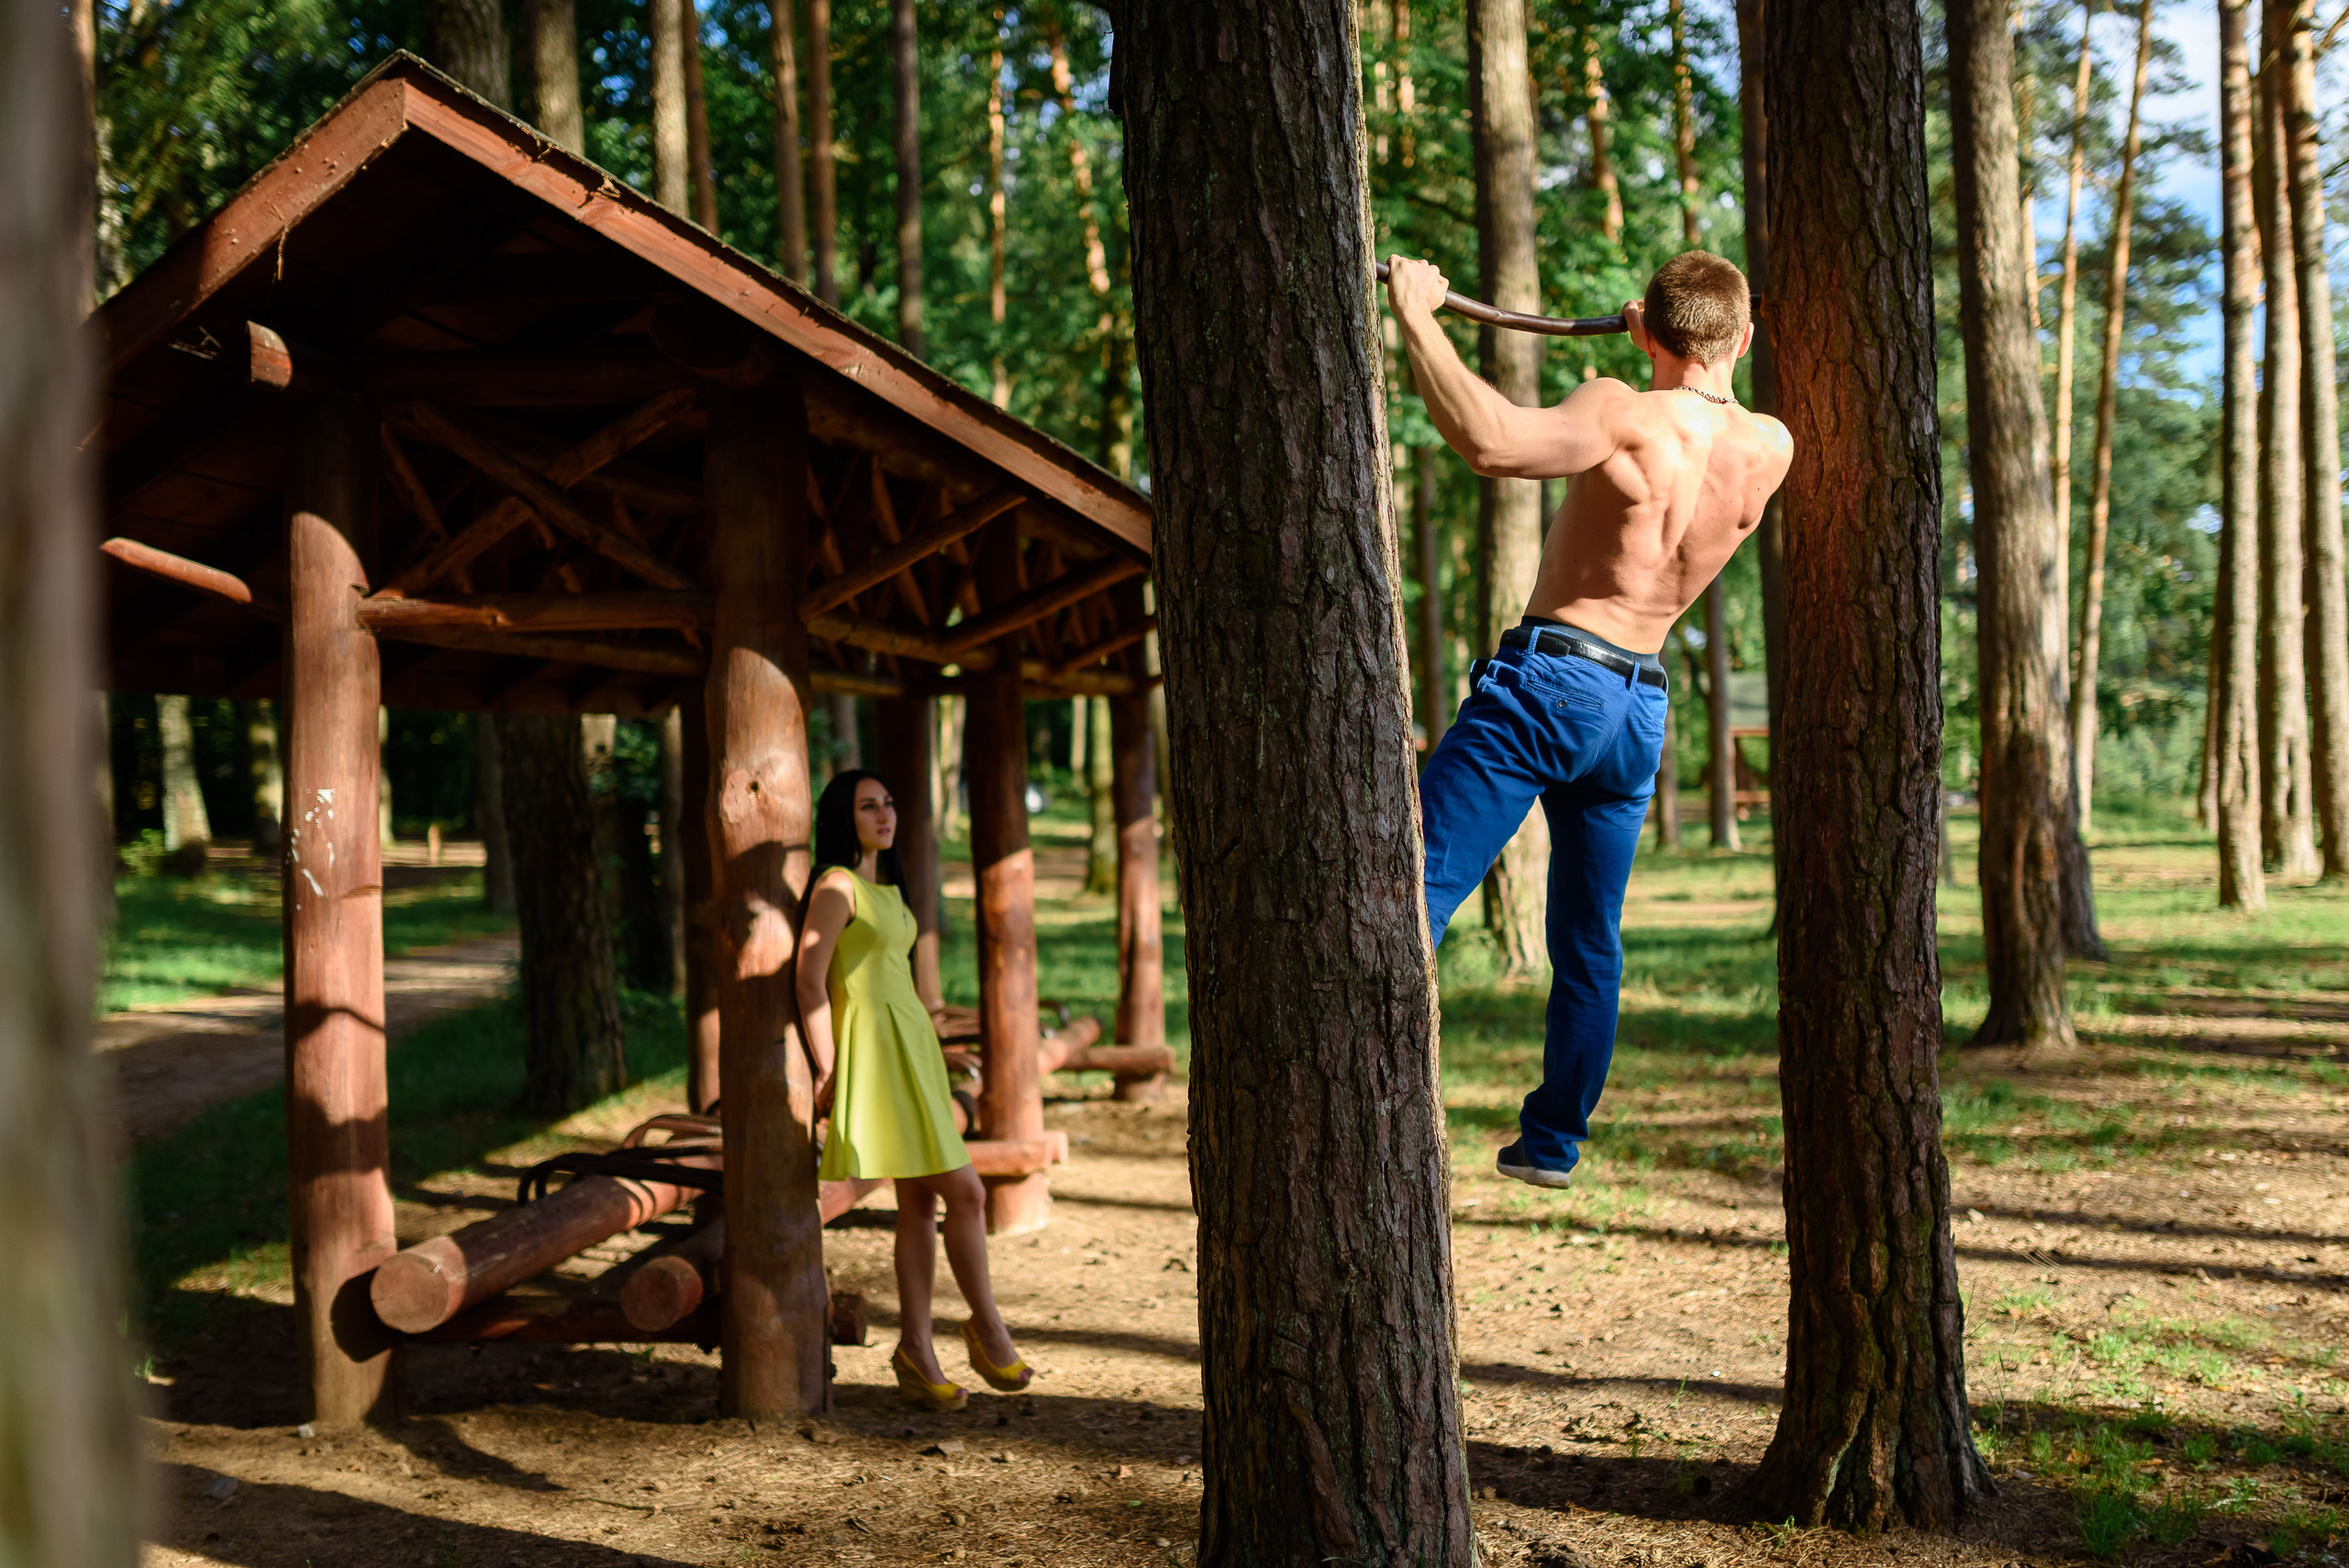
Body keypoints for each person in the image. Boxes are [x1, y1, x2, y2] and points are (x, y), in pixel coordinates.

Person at [1386, 249, 1793, 1190]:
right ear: (1744, 338)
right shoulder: (1769, 446)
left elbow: (1493, 444)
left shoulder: (1621, 410)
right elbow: (1699, 390)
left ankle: (1360, 1101)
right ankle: (1553, 1142)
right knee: (1588, 940)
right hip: (1637, 706)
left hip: (1552, 682)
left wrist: (1416, 316)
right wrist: (1663, 344)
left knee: (1409, 894)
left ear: (1648, 330)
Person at [796, 768, 1032, 1409]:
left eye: (889, 804)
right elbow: (810, 980)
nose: (884, 815)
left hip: (913, 1052)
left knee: (920, 1205)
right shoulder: (837, 886)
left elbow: (897, 980)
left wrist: (934, 1047)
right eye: (867, 806)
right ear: (842, 818)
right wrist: (827, 1067)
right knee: (968, 1192)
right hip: (875, 1059)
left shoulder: (889, 891)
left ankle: (917, 1349)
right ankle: (987, 1327)